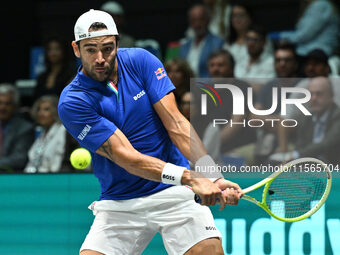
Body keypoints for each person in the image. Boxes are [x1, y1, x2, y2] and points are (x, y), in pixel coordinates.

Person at [58, 9, 243, 255]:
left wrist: (212, 176)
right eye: (91, 49)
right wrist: (192, 177)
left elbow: (176, 124)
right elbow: (127, 157)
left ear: (117, 43)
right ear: (76, 49)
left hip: (174, 192)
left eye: (107, 48)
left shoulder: (141, 61)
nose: (100, 58)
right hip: (120, 201)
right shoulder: (73, 101)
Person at [269, 77, 340, 164]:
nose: (314, 98)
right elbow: (300, 144)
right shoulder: (307, 117)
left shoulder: (337, 115)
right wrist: (293, 157)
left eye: (319, 94)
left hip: (332, 165)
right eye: (311, 94)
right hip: (308, 163)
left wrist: (296, 155)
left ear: (331, 96)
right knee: (272, 162)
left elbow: (327, 144)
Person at [253, 42, 300, 162]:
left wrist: (270, 121)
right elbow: (254, 116)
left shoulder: (303, 86)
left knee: (278, 162)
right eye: (278, 60)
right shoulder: (269, 86)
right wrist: (279, 121)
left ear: (295, 64)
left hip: (295, 142)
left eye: (287, 60)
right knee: (236, 159)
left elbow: (299, 124)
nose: (282, 64)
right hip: (265, 140)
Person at [24, 95, 67, 173]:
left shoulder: (63, 131)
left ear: (55, 111)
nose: (41, 113)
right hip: (35, 179)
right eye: (39, 110)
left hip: (55, 179)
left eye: (46, 110)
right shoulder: (41, 134)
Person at [180, 4, 224, 77]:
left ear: (208, 20)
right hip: (187, 87)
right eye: (193, 20)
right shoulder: (184, 46)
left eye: (201, 19)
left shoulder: (218, 43)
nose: (197, 24)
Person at [0, 84, 34, 172]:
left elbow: (19, 159)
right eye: (0, 103)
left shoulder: (25, 128)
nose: (2, 107)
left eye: (7, 104)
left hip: (11, 176)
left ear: (15, 107)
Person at [33, 36, 76, 102]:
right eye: (50, 49)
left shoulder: (71, 76)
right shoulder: (42, 77)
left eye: (57, 49)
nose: (53, 53)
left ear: (64, 51)